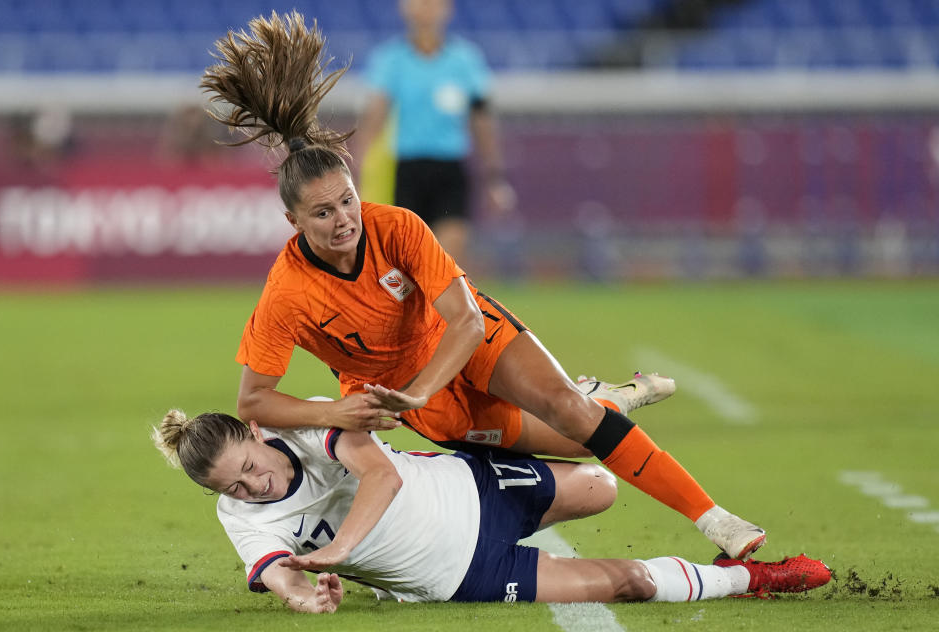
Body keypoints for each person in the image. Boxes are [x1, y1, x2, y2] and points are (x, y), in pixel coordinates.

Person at [200, 10, 765, 562]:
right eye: (322, 213)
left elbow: (467, 320)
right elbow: (254, 401)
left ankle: (718, 522)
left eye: (348, 199)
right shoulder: (286, 294)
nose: (344, 219)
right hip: (409, 393)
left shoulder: (397, 225)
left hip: (462, 341)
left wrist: (420, 389)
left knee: (571, 412)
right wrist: (338, 414)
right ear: (293, 223)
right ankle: (609, 398)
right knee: (577, 441)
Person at [152, 408, 831, 612]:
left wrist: (337, 551)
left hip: (474, 485)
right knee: (626, 582)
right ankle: (755, 578)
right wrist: (304, 597)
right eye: (233, 489)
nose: (253, 488)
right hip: (464, 573)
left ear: (256, 436)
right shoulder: (239, 515)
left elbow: (380, 476)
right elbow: (278, 574)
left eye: (248, 469)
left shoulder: (304, 429)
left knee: (604, 487)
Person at [353, 0, 515, 264]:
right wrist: (357, 169)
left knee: (448, 260)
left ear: (446, 9)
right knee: (408, 261)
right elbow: (374, 117)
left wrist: (494, 175)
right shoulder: (391, 59)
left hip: (449, 169)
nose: (425, 9)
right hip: (407, 170)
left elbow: (481, 120)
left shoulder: (465, 59)